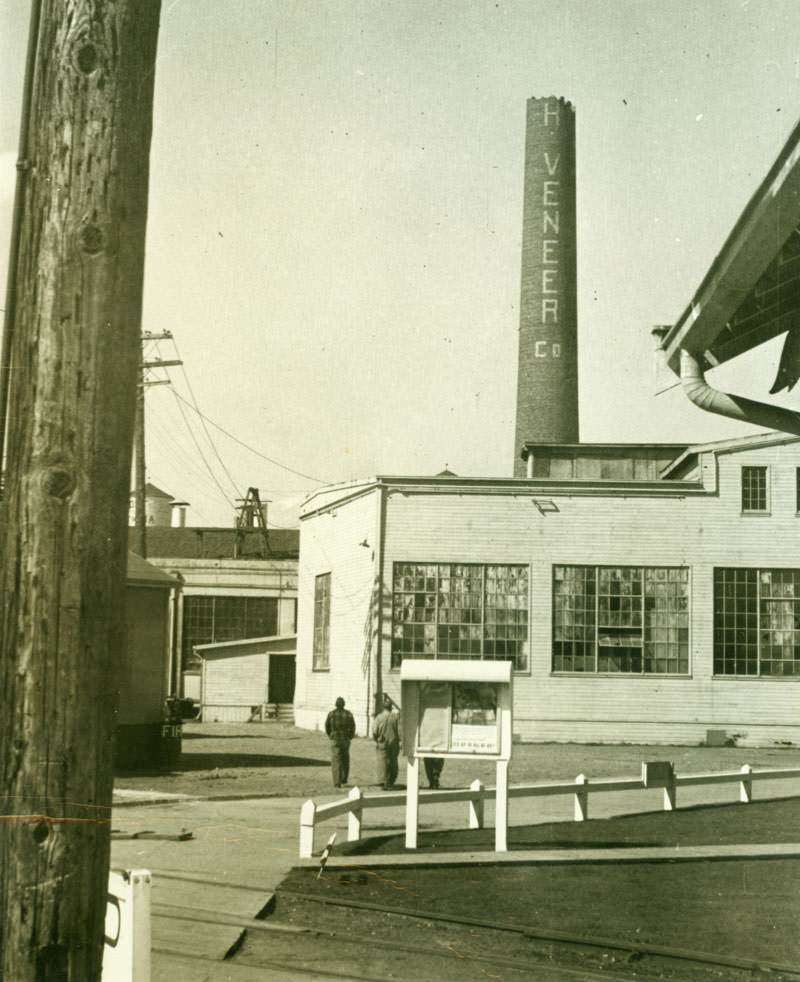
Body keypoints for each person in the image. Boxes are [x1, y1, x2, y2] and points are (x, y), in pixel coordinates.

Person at [324, 696, 356, 788]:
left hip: (335, 739)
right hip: (345, 739)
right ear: (344, 705)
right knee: (345, 759)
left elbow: (327, 726)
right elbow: (353, 727)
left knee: (336, 760)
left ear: (336, 705)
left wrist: (330, 735)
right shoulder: (349, 714)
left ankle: (337, 782)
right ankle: (343, 778)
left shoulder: (331, 714)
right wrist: (350, 737)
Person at [372, 694, 401, 790]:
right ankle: (391, 780)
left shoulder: (379, 717)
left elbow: (374, 731)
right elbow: (400, 731)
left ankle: (384, 781)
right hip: (394, 742)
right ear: (391, 708)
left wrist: (376, 739)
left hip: (382, 742)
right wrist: (400, 741)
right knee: (393, 761)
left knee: (383, 762)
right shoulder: (396, 717)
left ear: (383, 707)